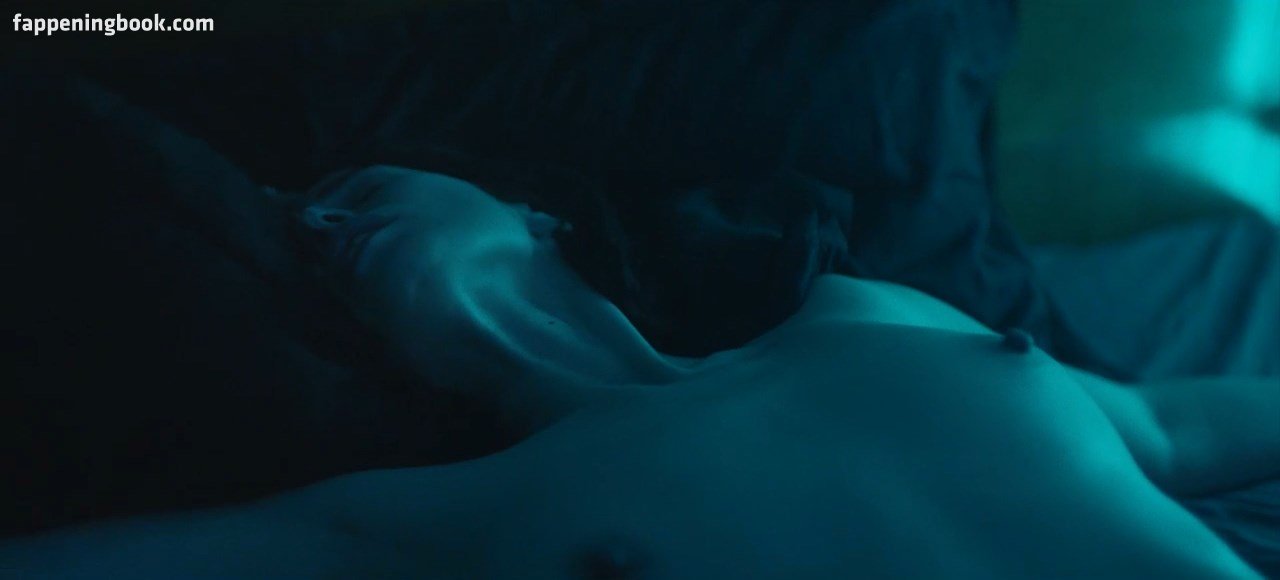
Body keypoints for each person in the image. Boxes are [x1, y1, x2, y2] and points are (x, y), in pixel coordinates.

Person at [1, 166, 1275, 578]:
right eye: (302, 235)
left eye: (355, 188)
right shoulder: (463, 511)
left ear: (531, 212)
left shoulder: (867, 313)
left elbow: (1166, 424)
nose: (323, 223)